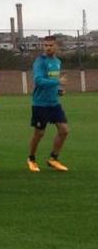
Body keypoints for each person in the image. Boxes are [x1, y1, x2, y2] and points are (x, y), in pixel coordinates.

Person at [27, 36, 71, 172]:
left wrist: (58, 90)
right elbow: (39, 81)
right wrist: (58, 82)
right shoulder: (40, 62)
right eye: (45, 45)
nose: (48, 47)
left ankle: (53, 158)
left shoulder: (57, 62)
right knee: (39, 133)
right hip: (40, 103)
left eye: (51, 45)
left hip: (54, 103)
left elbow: (53, 80)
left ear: (56, 46)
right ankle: (31, 159)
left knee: (64, 130)